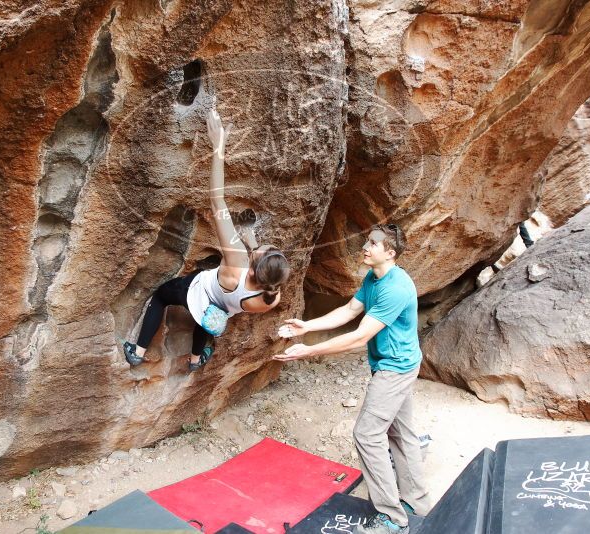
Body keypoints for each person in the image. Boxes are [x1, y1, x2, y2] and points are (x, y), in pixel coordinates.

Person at [274, 223, 430, 534]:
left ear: (390, 252)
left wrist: (308, 352)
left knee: (367, 435)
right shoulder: (374, 277)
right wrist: (308, 326)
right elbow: (348, 310)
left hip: (395, 368)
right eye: (368, 241)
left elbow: (359, 337)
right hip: (395, 362)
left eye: (373, 243)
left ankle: (393, 520)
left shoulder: (395, 287)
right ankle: (416, 503)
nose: (365, 247)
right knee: (402, 435)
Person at [123, 109, 290, 372]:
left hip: (195, 292)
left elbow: (217, 200)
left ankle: (138, 350)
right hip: (219, 311)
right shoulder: (271, 296)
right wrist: (253, 245)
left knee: (161, 296)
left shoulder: (237, 259)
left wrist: (219, 146)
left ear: (254, 261)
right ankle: (193, 360)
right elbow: (259, 274)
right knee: (208, 316)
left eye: (263, 249)